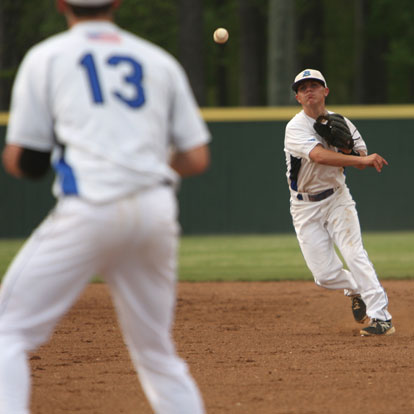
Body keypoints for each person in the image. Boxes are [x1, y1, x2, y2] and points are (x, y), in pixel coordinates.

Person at [0, 0, 210, 413]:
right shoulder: (158, 60)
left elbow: (27, 160)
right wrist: (141, 165)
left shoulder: (46, 57)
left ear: (62, 4)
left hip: (89, 209)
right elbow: (196, 158)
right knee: (157, 353)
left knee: (8, 334)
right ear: (116, 3)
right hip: (155, 209)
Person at [284, 68, 395, 336]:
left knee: (354, 252)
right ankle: (356, 288)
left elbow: (360, 153)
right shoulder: (295, 127)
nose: (309, 90)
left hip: (337, 199)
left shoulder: (342, 121)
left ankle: (381, 317)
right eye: (303, 88)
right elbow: (320, 156)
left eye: (314, 85)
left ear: (325, 91)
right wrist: (359, 159)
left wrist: (349, 149)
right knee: (324, 276)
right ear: (298, 97)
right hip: (304, 206)